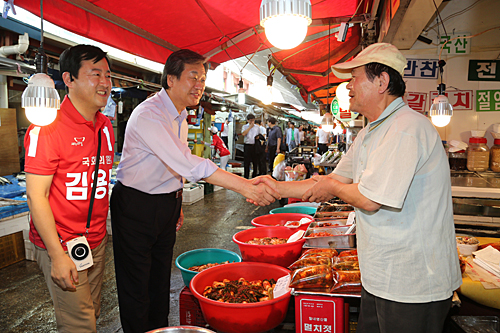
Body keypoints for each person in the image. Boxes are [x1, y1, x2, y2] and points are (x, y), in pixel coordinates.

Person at [254, 43, 461, 333]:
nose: (348, 87)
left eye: (354, 78)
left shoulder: (405, 127)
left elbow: (368, 198)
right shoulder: (370, 132)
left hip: (412, 283)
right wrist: (275, 186)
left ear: (382, 82)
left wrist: (330, 186)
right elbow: (331, 181)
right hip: (379, 276)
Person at [110, 49, 279, 333]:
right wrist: (244, 185)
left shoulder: (180, 115)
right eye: (193, 77)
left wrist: (174, 205)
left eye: (202, 78)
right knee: (136, 285)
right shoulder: (149, 115)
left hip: (164, 205)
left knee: (160, 281)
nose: (199, 85)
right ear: (171, 79)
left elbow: (175, 167)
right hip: (136, 206)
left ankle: (159, 329)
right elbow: (186, 163)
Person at [24, 44, 114, 333]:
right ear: (69, 79)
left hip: (96, 240)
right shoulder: (47, 126)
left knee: (93, 312)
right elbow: (35, 196)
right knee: (79, 325)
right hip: (61, 243)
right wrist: (57, 255)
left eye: (108, 75)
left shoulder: (105, 126)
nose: (105, 83)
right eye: (95, 74)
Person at [241, 113, 261, 178]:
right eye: (250, 120)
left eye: (253, 120)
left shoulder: (257, 127)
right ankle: (246, 176)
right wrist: (250, 127)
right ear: (247, 120)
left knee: (255, 162)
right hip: (247, 145)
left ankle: (254, 176)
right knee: (247, 162)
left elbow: (259, 135)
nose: (252, 122)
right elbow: (243, 134)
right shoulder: (245, 127)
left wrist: (258, 137)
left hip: (254, 146)